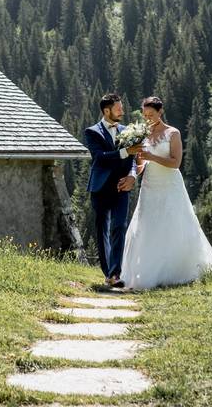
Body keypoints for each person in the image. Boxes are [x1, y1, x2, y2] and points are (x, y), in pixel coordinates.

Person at [120, 96, 212, 289]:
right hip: (149, 184)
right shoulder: (142, 134)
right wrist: (133, 170)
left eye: (151, 114)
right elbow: (139, 165)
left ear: (160, 112)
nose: (148, 118)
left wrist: (151, 156)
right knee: (147, 224)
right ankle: (148, 268)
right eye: (145, 115)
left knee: (174, 221)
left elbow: (175, 163)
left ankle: (177, 269)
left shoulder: (173, 133)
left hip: (170, 183)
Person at [84, 93, 139, 288]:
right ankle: (107, 273)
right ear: (106, 111)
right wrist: (125, 152)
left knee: (119, 226)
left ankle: (115, 274)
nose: (122, 111)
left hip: (122, 187)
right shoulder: (92, 132)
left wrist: (132, 176)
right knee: (102, 230)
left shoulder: (127, 130)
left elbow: (134, 160)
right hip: (100, 188)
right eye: (118, 108)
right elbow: (99, 157)